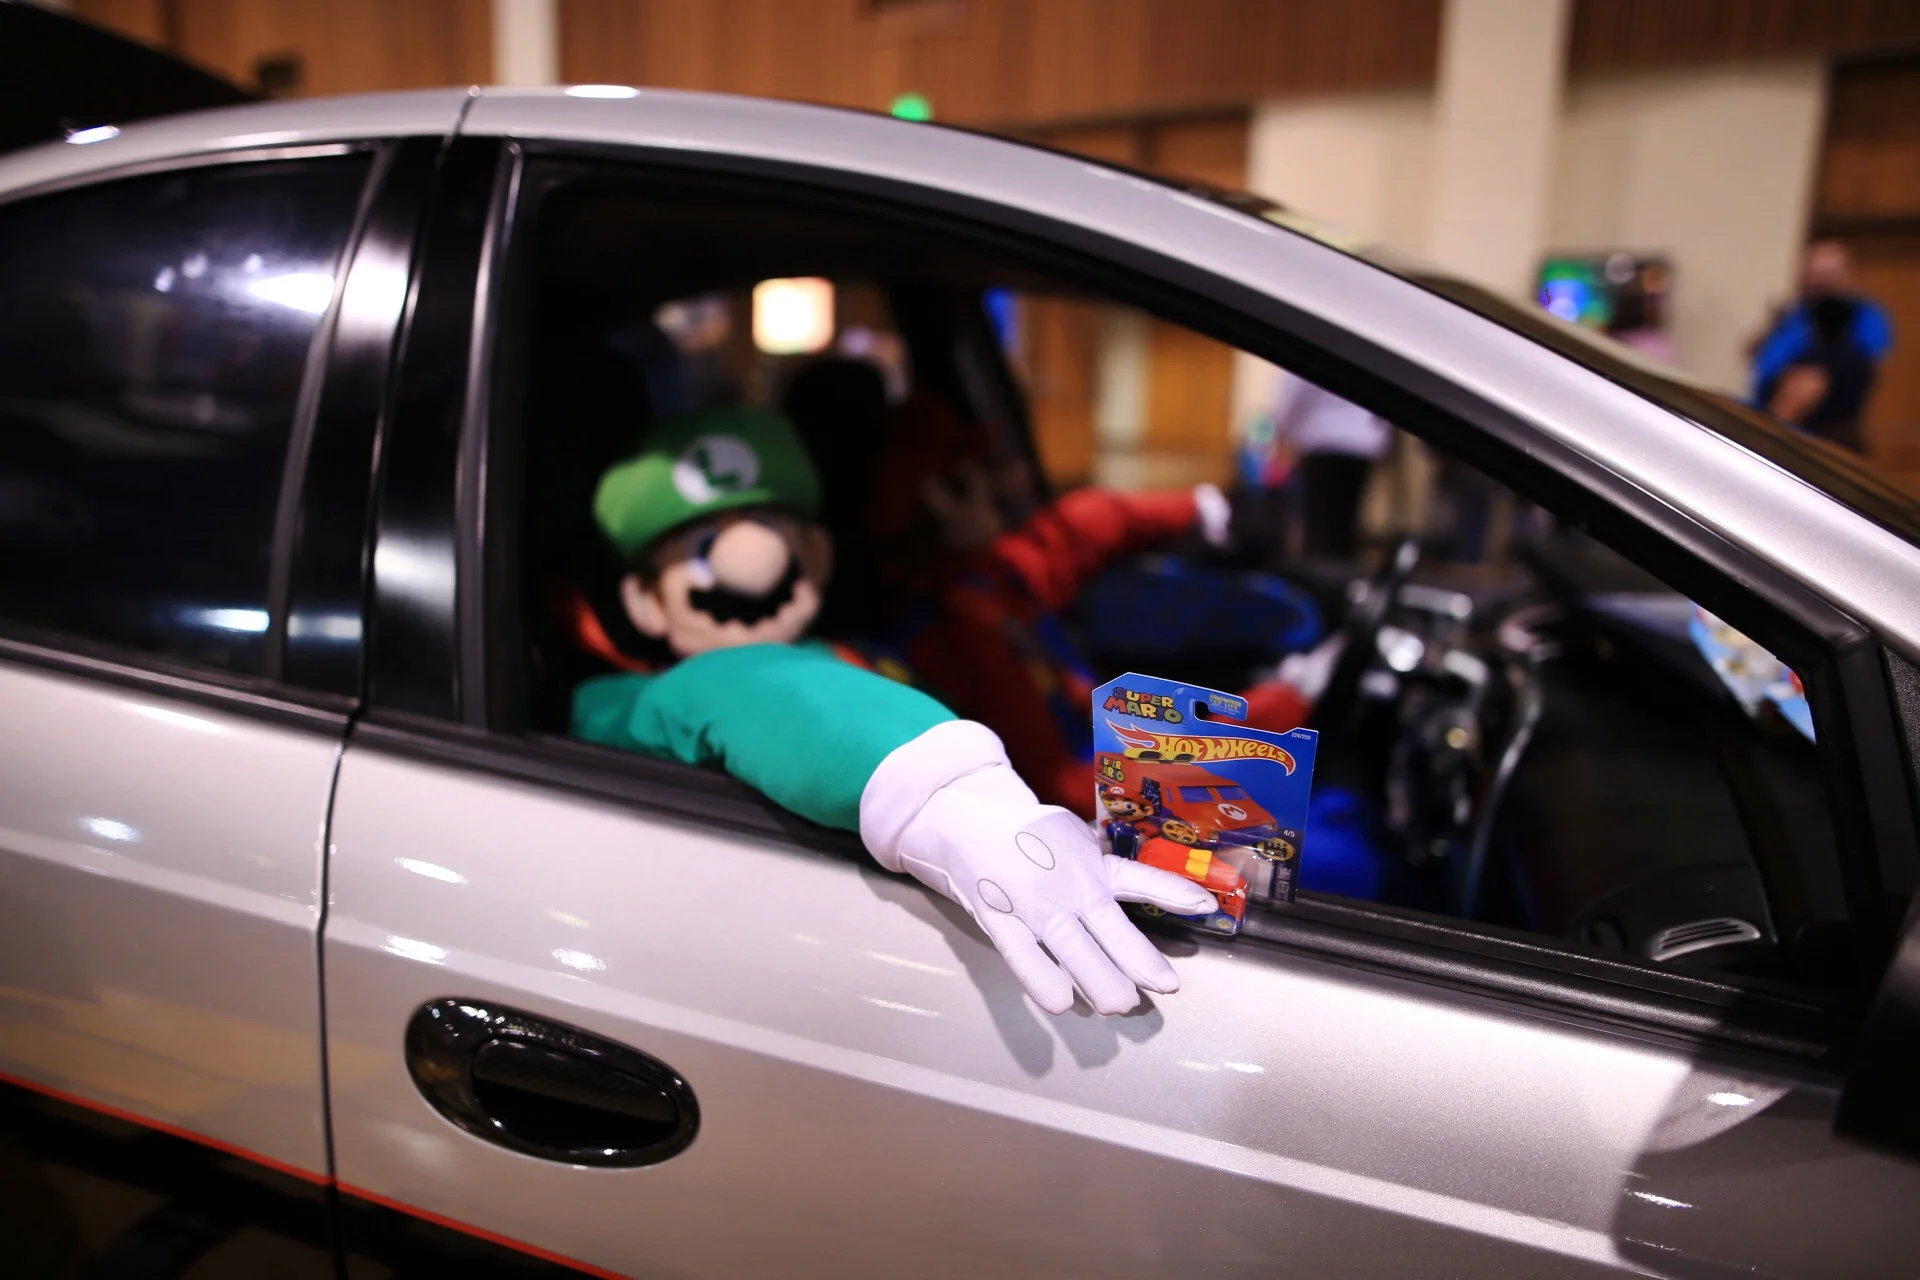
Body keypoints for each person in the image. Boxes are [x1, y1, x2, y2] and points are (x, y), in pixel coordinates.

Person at [570, 405, 1215, 1016]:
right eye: (705, 547)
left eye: (773, 537)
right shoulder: (623, 705)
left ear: (815, 555)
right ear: (645, 601)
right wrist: (944, 791)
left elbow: (1068, 540)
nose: (752, 566)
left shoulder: (870, 649)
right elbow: (746, 688)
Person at [867, 392, 1338, 813]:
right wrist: (1268, 724)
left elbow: (1074, 534)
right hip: (1099, 818)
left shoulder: (987, 578)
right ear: (940, 498)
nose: (1001, 484)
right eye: (978, 470)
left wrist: (1206, 508)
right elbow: (1068, 791)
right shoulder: (960, 634)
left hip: (1114, 766)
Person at [1749, 240, 1894, 452]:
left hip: (1807, 437)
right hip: (1766, 415)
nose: (1817, 282)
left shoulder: (1860, 317)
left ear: (1845, 275)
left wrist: (1769, 435)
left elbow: (1817, 379)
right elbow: (1756, 353)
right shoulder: (1796, 312)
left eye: (1826, 275)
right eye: (1812, 274)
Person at [1262, 376, 1392, 558]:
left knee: (1320, 528)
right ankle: (1337, 574)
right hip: (1362, 443)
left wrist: (1283, 433)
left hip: (1323, 439)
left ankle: (1321, 578)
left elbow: (1294, 392)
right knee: (1344, 526)